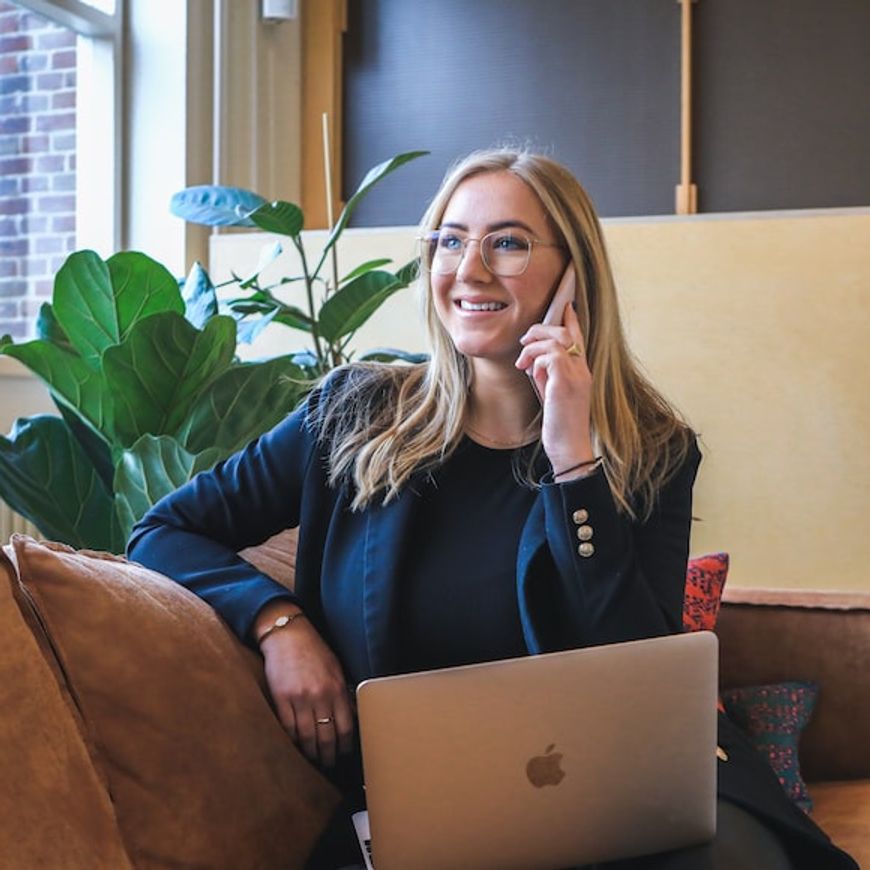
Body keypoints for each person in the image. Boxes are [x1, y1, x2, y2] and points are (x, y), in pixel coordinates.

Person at [128, 149, 856, 870]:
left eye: (507, 242)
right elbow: (162, 530)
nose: (469, 269)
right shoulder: (351, 417)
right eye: (450, 240)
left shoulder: (652, 450)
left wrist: (575, 462)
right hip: (426, 813)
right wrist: (278, 624)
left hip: (626, 802)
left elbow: (643, 676)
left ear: (574, 274)